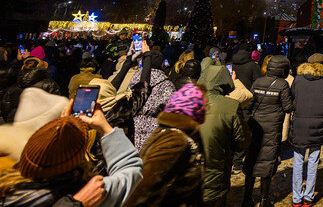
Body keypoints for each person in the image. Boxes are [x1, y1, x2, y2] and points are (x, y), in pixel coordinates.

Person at [0, 105, 142, 207]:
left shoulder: (7, 186)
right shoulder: (92, 194)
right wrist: (105, 129)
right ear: (77, 160)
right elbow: (132, 171)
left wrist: (61, 127)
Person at [124, 82, 207, 206]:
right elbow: (143, 190)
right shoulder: (175, 140)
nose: (206, 108)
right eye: (204, 104)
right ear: (194, 107)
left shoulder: (173, 132)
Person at [242, 55, 295, 207]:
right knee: (268, 162)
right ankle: (264, 200)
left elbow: (249, 104)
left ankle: (246, 199)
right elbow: (288, 107)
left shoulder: (258, 81)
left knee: (251, 160)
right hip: (272, 128)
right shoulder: (282, 84)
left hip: (255, 126)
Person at [198, 62, 249, 206]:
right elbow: (243, 141)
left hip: (190, 175)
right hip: (217, 171)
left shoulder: (185, 101)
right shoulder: (230, 106)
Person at [289, 53, 323, 207]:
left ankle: (297, 197)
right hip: (318, 125)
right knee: (313, 162)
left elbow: (292, 97)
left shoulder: (299, 79)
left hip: (300, 124)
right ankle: (308, 197)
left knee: (298, 161)